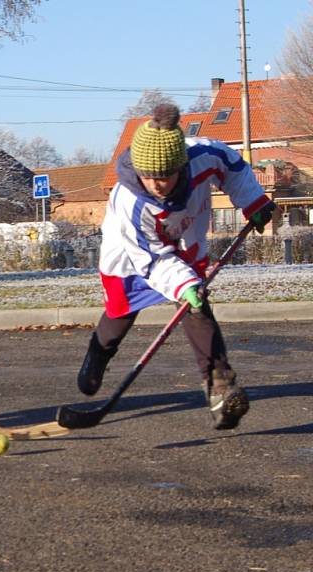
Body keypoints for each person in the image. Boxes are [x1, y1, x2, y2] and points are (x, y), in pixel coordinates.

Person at [78, 103, 275, 430]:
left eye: (165, 175)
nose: (157, 184)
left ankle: (220, 388)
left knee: (196, 308)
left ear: (180, 165)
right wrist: (181, 283)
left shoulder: (202, 156)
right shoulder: (129, 201)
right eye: (149, 176)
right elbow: (153, 260)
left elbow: (234, 168)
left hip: (184, 239)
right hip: (133, 255)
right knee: (120, 312)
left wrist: (252, 201)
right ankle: (98, 354)